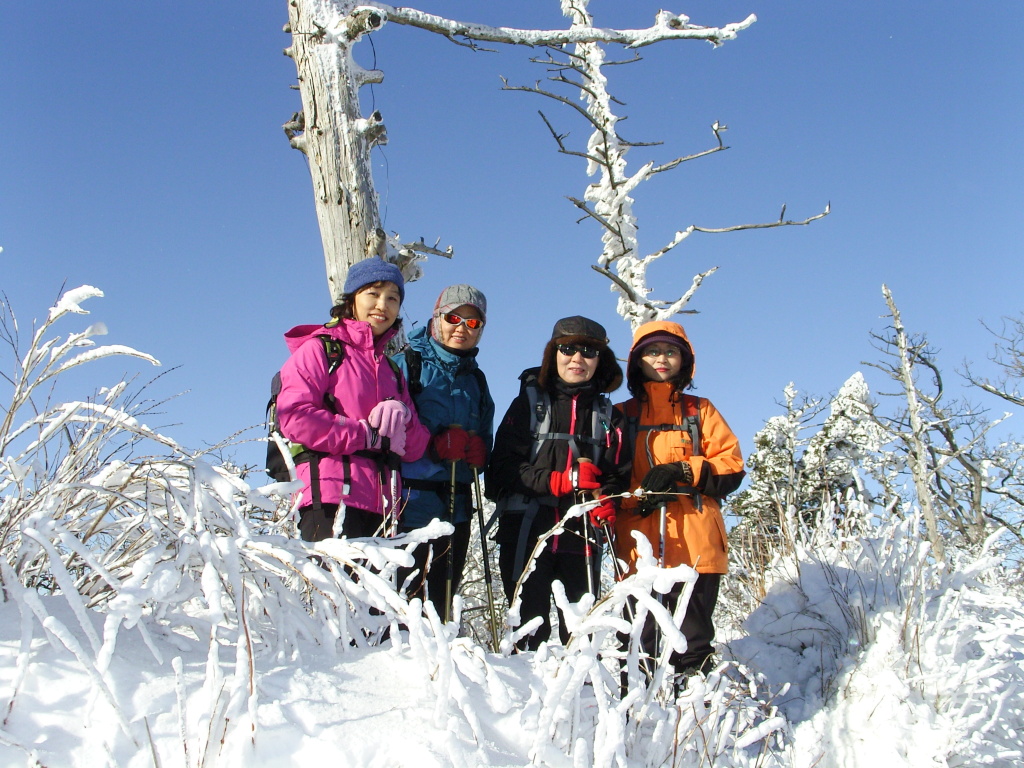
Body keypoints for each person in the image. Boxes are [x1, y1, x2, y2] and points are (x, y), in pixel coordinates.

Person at [488, 316, 631, 649]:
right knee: (526, 636)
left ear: (601, 360)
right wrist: (558, 480)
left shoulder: (611, 417)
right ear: (552, 354)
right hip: (526, 534)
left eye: (588, 351)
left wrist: (609, 499)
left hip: (582, 539)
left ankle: (580, 700)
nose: (577, 359)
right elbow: (502, 470)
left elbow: (618, 476)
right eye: (567, 349)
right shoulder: (528, 403)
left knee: (581, 641)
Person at [613, 320, 745, 677]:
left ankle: (695, 719)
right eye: (653, 351)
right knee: (639, 640)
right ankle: (637, 721)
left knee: (693, 640)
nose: (662, 358)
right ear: (637, 360)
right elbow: (610, 479)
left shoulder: (699, 411)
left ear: (684, 361)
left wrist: (683, 471)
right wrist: (635, 500)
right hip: (637, 548)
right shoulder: (622, 416)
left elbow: (732, 467)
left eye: (671, 352)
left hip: (697, 543)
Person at [276, 256, 430, 542]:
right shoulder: (320, 350)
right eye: (373, 293)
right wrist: (364, 435)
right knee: (332, 586)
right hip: (330, 496)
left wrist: (404, 417)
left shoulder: (392, 370)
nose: (383, 305)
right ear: (352, 299)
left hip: (384, 507)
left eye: (393, 298)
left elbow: (415, 447)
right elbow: (294, 417)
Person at [391, 285, 495, 620]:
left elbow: (485, 437)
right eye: (453, 317)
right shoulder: (406, 366)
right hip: (410, 504)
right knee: (404, 600)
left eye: (473, 323)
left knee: (442, 603)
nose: (461, 328)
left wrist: (480, 453)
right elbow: (384, 433)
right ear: (437, 318)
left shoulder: (477, 381)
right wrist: (433, 446)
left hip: (458, 506)